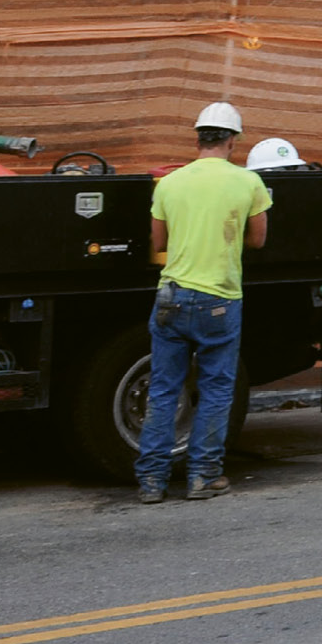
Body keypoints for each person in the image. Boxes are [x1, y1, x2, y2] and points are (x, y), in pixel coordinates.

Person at [135, 101, 272, 504]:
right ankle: (203, 476)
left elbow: (158, 243)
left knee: (162, 389)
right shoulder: (248, 183)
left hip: (171, 296)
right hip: (219, 298)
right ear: (232, 140)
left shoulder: (171, 183)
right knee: (215, 389)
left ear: (198, 138)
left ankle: (151, 482)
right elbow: (258, 239)